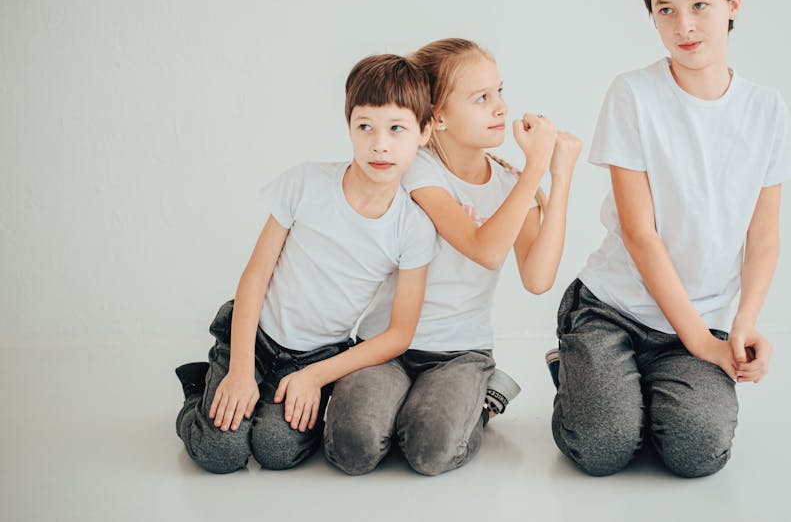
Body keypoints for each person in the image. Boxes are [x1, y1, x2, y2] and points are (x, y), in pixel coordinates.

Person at [548, 0, 791, 478]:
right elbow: (640, 233)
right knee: (602, 451)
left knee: (697, 455)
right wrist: (699, 345)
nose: (683, 25)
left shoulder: (767, 110)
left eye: (699, 5)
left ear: (734, 4)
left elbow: (764, 237)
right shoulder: (633, 94)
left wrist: (740, 326)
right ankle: (579, 367)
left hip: (700, 319)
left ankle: (630, 392)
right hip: (613, 309)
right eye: (666, 9)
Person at [324, 38, 582, 476]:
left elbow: (538, 278)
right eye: (482, 98)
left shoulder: (509, 185)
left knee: (430, 452)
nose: (501, 108)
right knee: (353, 449)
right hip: (386, 345)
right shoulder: (419, 169)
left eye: (500, 92)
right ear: (437, 117)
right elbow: (484, 248)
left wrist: (558, 178)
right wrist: (534, 168)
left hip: (459, 352)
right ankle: (401, 402)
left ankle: (483, 399)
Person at [173, 54, 438, 474]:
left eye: (396, 129)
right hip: (255, 335)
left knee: (276, 451)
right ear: (348, 126)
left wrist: (316, 377)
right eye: (364, 126)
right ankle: (200, 386)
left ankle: (262, 403)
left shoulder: (413, 227)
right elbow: (255, 276)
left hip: (316, 356)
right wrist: (241, 368)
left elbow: (400, 333)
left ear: (424, 131)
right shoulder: (305, 183)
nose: (379, 144)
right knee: (220, 453)